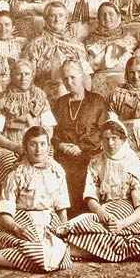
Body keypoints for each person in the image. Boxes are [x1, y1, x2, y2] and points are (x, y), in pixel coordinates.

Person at [0, 126, 71, 273]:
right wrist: (17, 229)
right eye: (33, 144)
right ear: (25, 147)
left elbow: (61, 208)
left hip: (49, 221)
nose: (38, 149)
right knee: (40, 250)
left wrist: (63, 231)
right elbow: (4, 214)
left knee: (61, 254)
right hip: (19, 221)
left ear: (48, 146)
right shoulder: (16, 174)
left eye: (43, 144)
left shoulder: (57, 171)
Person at [62, 119, 140, 262]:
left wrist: (122, 224)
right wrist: (100, 211)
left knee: (102, 231)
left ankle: (79, 251)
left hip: (128, 213)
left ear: (123, 140)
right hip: (104, 210)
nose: (110, 143)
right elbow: (90, 195)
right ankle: (110, 251)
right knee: (81, 225)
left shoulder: (132, 163)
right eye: (106, 139)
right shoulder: (96, 161)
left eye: (114, 139)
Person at [0, 59, 57, 185]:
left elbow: (49, 128)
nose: (23, 78)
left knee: (48, 161)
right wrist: (14, 146)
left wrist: (39, 143)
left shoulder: (40, 97)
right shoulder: (4, 99)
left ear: (32, 75)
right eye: (19, 74)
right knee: (9, 163)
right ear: (12, 76)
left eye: (27, 74)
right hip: (10, 145)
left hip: (36, 143)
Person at [52, 60, 108, 216]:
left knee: (86, 176)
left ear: (82, 76)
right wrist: (61, 145)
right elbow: (53, 132)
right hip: (64, 156)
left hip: (89, 154)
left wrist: (81, 147)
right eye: (65, 79)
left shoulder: (96, 100)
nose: (69, 82)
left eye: (73, 77)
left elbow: (102, 131)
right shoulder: (60, 103)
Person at [21, 1, 92, 105]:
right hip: (46, 91)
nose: (57, 19)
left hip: (77, 91)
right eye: (52, 16)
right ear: (45, 19)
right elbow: (28, 75)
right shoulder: (36, 45)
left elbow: (86, 73)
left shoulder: (77, 45)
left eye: (60, 15)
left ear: (66, 18)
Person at [85, 1, 137, 98]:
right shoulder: (90, 40)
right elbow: (89, 66)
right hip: (100, 78)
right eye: (102, 14)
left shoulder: (129, 38)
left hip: (124, 77)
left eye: (110, 13)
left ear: (118, 16)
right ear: (98, 18)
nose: (107, 17)